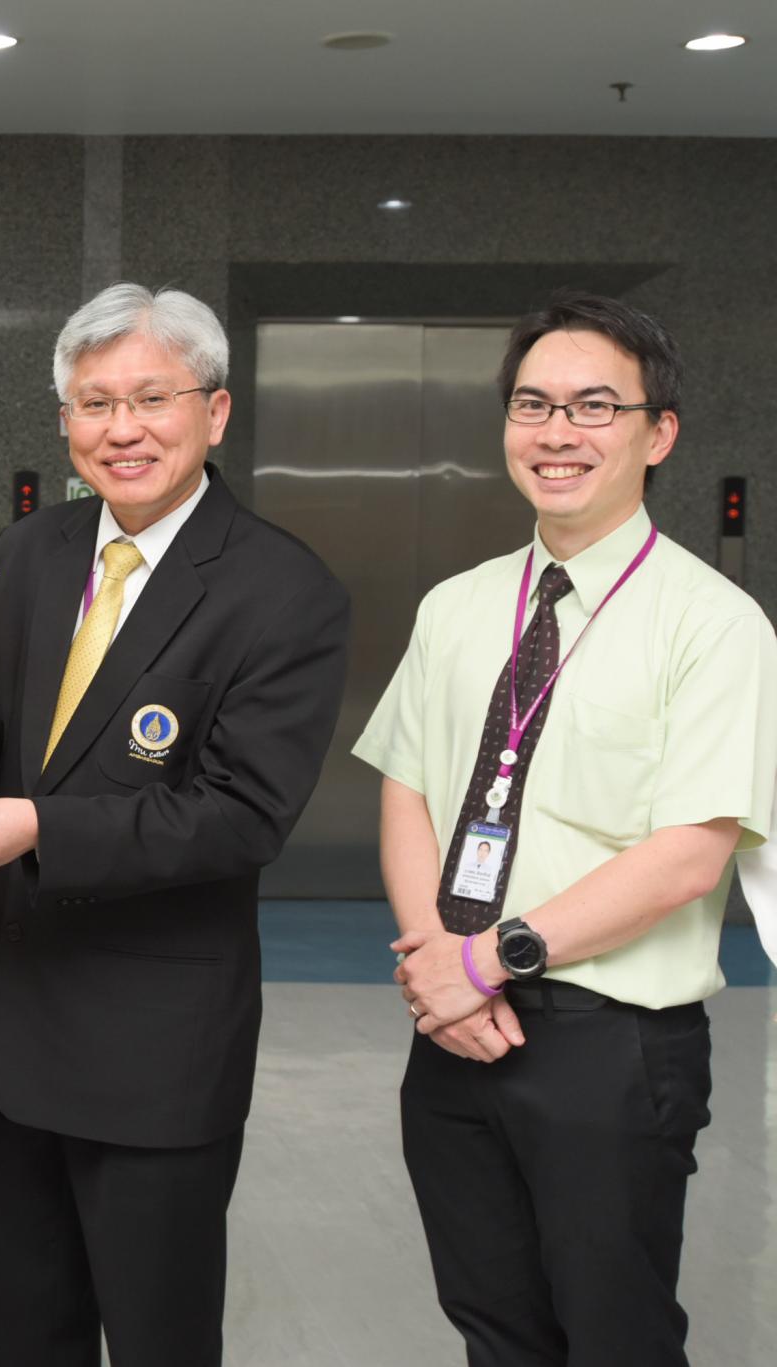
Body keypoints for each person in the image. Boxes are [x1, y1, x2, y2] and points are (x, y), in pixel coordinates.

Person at [0, 283, 350, 1366]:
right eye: (94, 403)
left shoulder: (282, 590)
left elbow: (239, 814)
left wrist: (38, 826)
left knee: (156, 1337)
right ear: (62, 421)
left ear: (215, 412)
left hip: (152, 1054)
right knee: (13, 1333)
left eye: (151, 397)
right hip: (3, 1040)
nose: (121, 428)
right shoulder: (29, 549)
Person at [358, 291, 777, 1367]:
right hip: (453, 1032)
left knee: (614, 1334)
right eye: (532, 405)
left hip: (609, 1045)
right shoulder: (455, 605)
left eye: (593, 406)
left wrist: (488, 956)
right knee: (493, 1328)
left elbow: (690, 851)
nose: (557, 433)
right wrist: (436, 963)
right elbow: (407, 784)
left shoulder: (712, 625)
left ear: (657, 432)